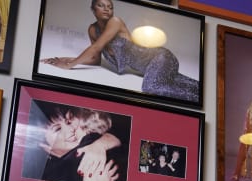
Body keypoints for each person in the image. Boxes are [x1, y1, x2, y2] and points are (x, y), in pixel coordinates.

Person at [41, 0, 199, 103]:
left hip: (161, 57)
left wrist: (69, 66)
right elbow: (95, 58)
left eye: (110, 7)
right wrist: (66, 59)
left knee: (150, 88)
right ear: (93, 9)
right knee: (183, 83)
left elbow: (96, 47)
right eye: (101, 5)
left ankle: (196, 98)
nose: (107, 9)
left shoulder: (115, 22)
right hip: (152, 67)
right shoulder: (92, 30)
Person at [38, 106, 123, 181]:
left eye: (68, 123)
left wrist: (101, 144)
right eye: (57, 129)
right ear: (45, 147)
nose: (71, 129)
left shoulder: (88, 142)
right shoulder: (47, 179)